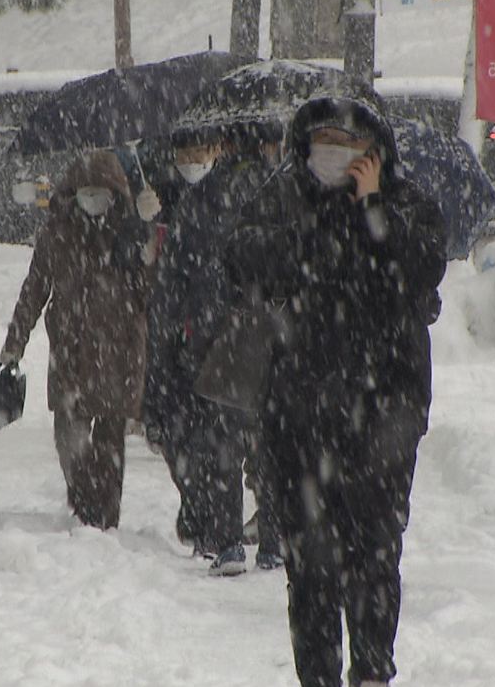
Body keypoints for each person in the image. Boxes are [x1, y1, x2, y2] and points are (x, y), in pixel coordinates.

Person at [223, 94, 447, 687]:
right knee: (311, 566)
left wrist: (371, 209)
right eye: (323, 143)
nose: (333, 155)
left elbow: (421, 266)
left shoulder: (406, 202)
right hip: (298, 413)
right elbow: (240, 255)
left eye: (347, 146)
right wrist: (310, 232)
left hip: (384, 414)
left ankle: (371, 671)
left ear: (374, 153)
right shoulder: (284, 195)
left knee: (374, 553)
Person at [143, 130, 282, 575]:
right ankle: (275, 540)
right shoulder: (282, 193)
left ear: (225, 148)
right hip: (273, 331)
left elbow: (172, 281)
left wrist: (168, 341)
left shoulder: (201, 201)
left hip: (216, 336)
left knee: (222, 439)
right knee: (270, 440)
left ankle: (226, 543)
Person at [0, 150, 161, 530]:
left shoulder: (130, 230)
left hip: (119, 351)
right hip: (71, 353)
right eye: (86, 191)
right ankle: (87, 498)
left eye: (101, 191)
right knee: (69, 440)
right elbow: (34, 290)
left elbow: (150, 296)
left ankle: (105, 516)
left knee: (110, 441)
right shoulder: (57, 235)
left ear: (115, 193)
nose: (93, 198)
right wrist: (14, 343)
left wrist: (149, 248)